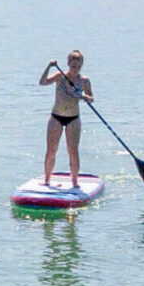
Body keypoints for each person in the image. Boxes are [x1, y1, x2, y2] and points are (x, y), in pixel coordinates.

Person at [38, 51, 95, 188]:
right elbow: (42, 82)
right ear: (68, 64)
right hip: (56, 117)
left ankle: (75, 182)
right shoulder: (60, 76)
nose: (75, 69)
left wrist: (86, 97)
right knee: (51, 150)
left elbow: (91, 98)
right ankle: (47, 180)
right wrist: (49, 66)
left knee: (73, 151)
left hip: (73, 119)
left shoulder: (84, 81)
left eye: (78, 67)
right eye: (73, 66)